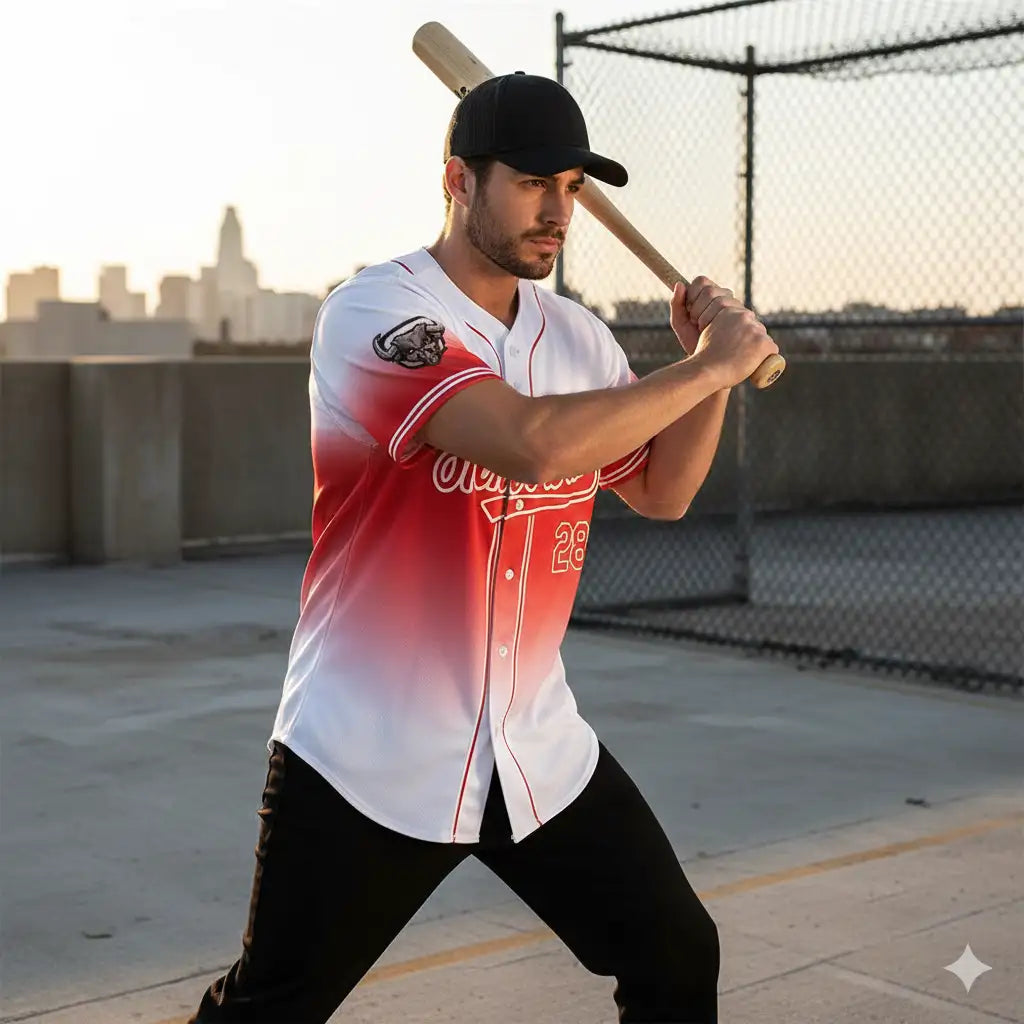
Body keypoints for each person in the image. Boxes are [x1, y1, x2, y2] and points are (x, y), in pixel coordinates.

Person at [187, 71, 778, 1024]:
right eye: (533, 183)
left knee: (677, 954)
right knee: (270, 1009)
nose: (559, 211)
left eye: (573, 186)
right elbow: (532, 442)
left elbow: (664, 490)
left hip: (532, 744)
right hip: (371, 746)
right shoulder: (377, 315)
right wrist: (709, 365)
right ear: (458, 180)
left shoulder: (578, 340)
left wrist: (706, 376)